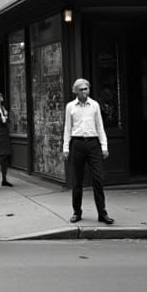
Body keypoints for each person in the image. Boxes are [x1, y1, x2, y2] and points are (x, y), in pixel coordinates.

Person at [62, 78, 114, 225]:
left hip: (93, 144)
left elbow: (100, 126)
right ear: (76, 91)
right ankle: (77, 212)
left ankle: (102, 213)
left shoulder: (95, 105)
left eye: (87, 89)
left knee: (98, 179)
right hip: (77, 143)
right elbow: (67, 128)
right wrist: (66, 148)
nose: (85, 91)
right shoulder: (70, 107)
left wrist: (104, 146)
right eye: (82, 89)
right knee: (77, 181)